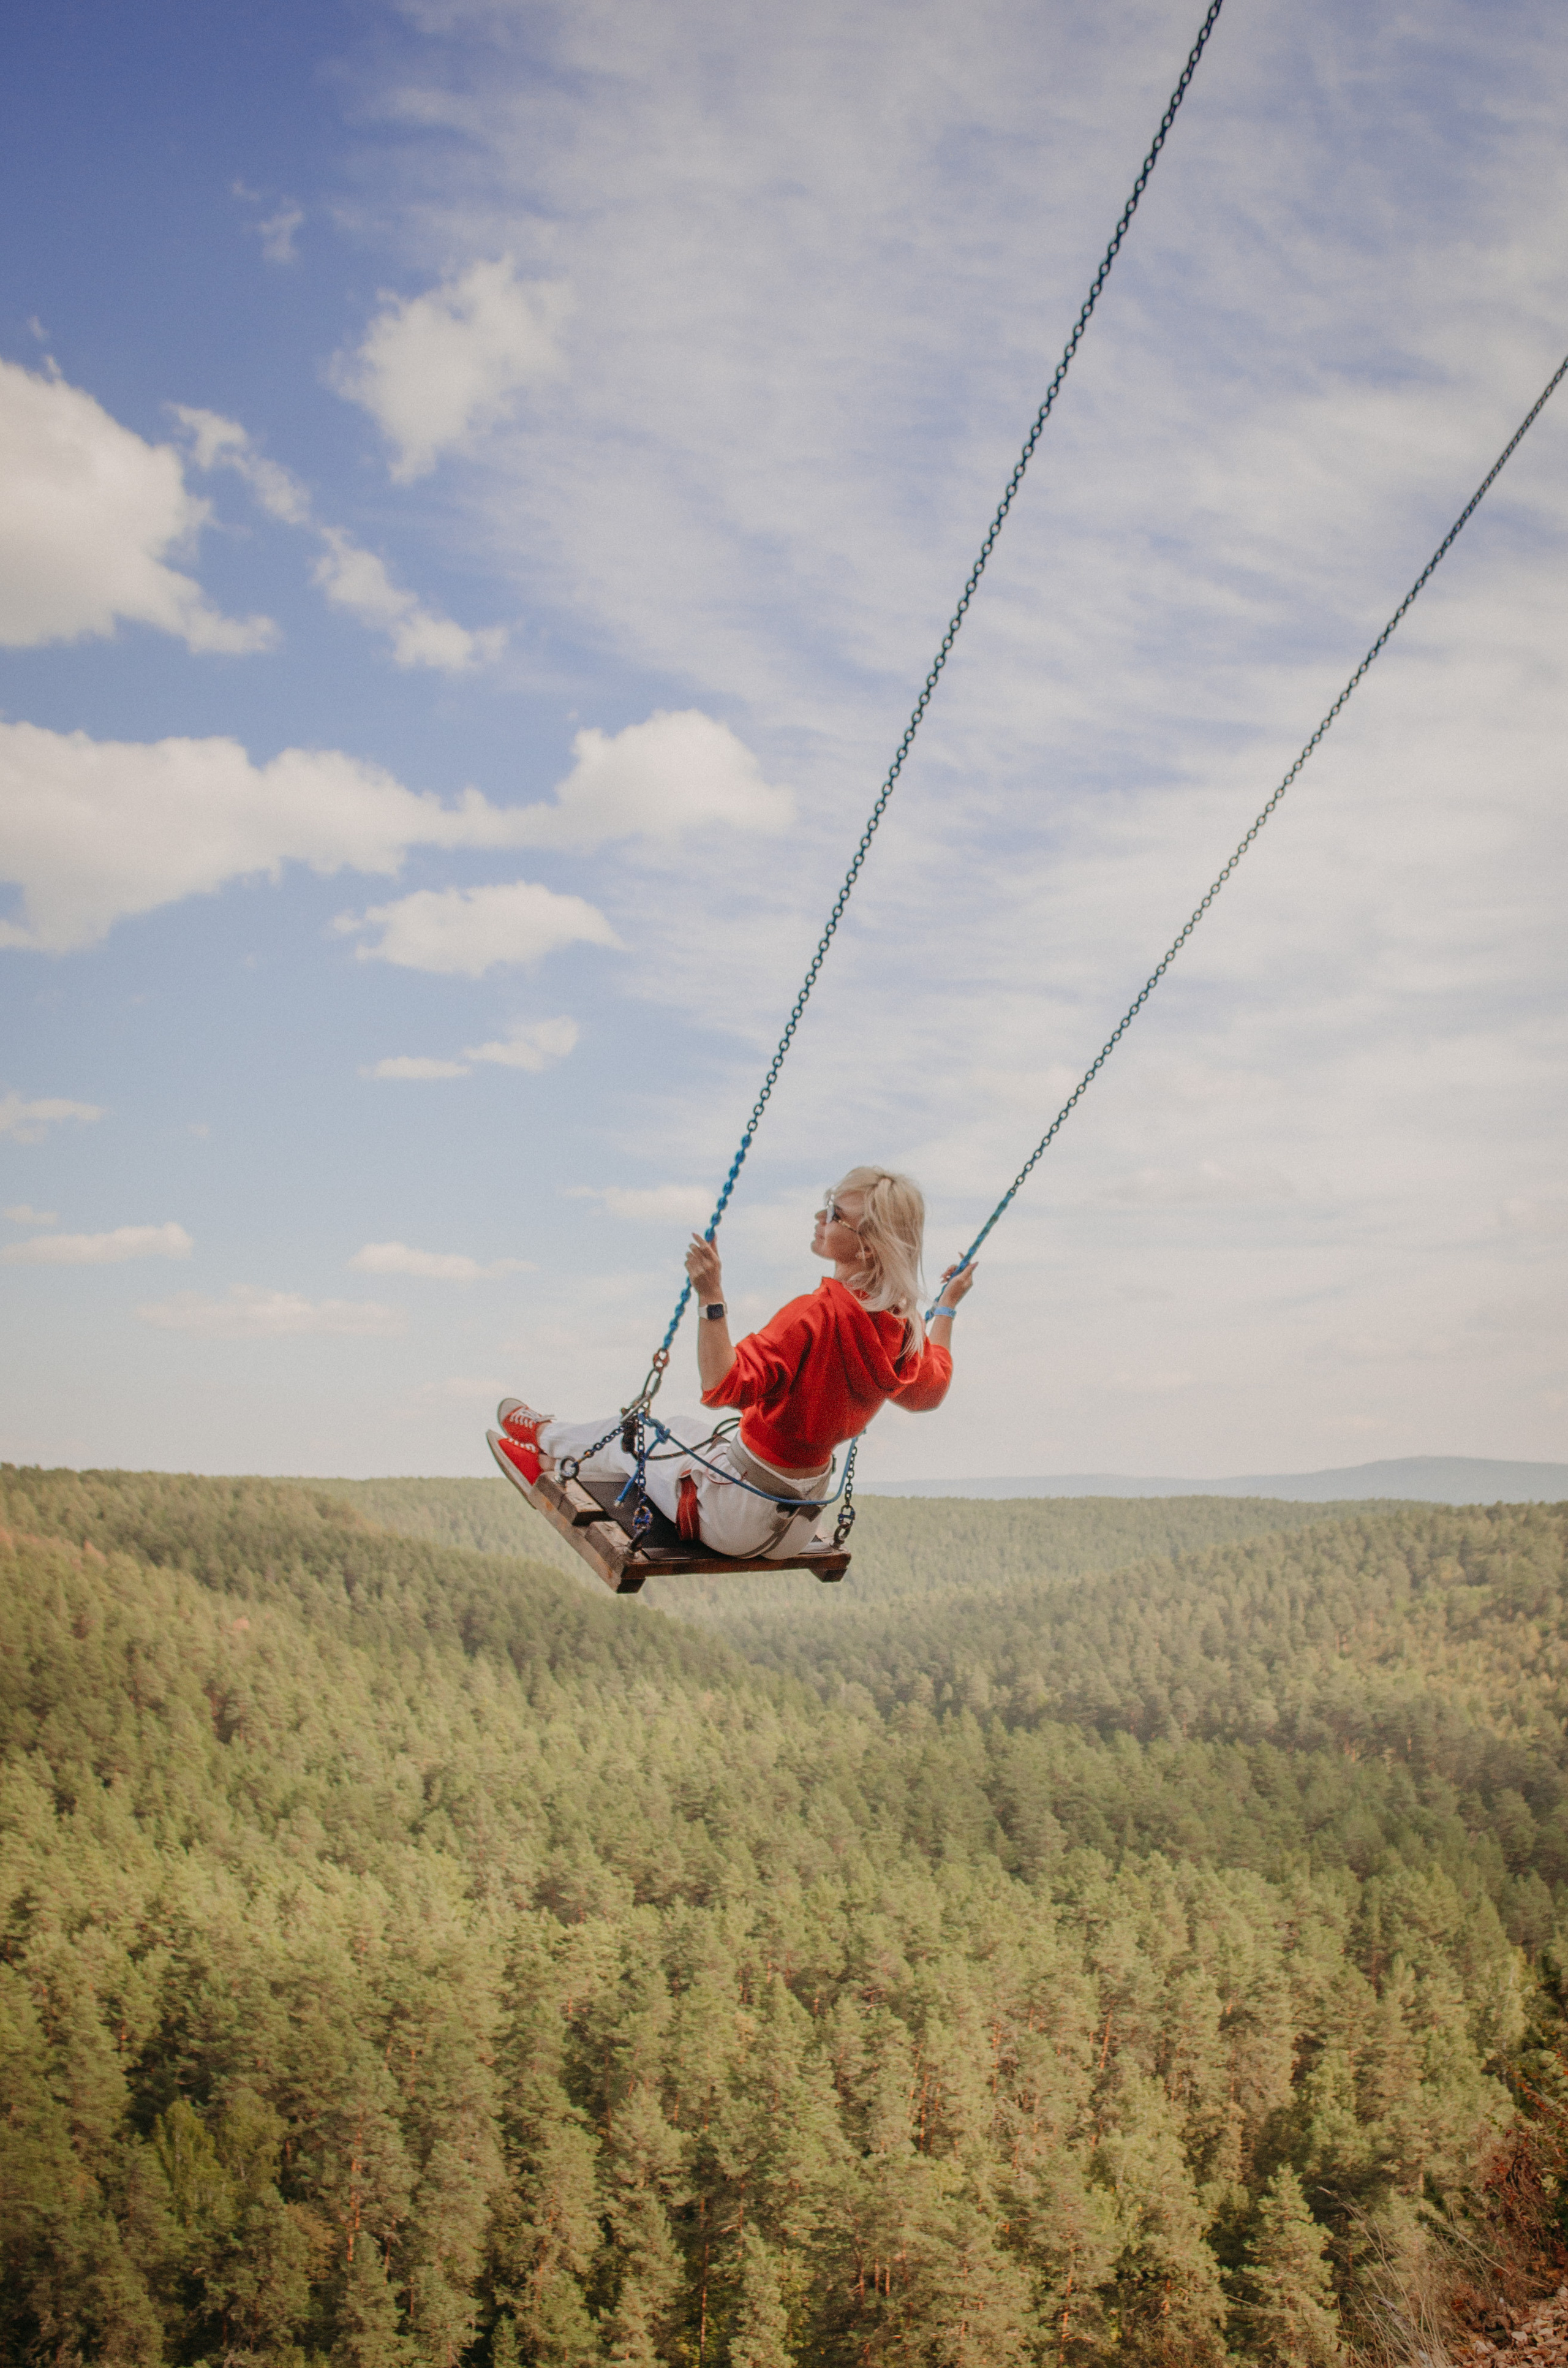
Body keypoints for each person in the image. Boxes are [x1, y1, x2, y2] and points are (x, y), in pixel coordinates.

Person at [488, 1166, 976, 1560]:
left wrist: (711, 1296)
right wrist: (947, 1307)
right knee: (680, 1428)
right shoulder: (902, 1324)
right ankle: (551, 1452)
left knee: (636, 1436)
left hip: (735, 1516)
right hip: (798, 1525)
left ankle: (545, 1445)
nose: (819, 1216)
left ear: (866, 1244)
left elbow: (722, 1385)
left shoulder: (815, 1315)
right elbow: (931, 1390)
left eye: (833, 1212)